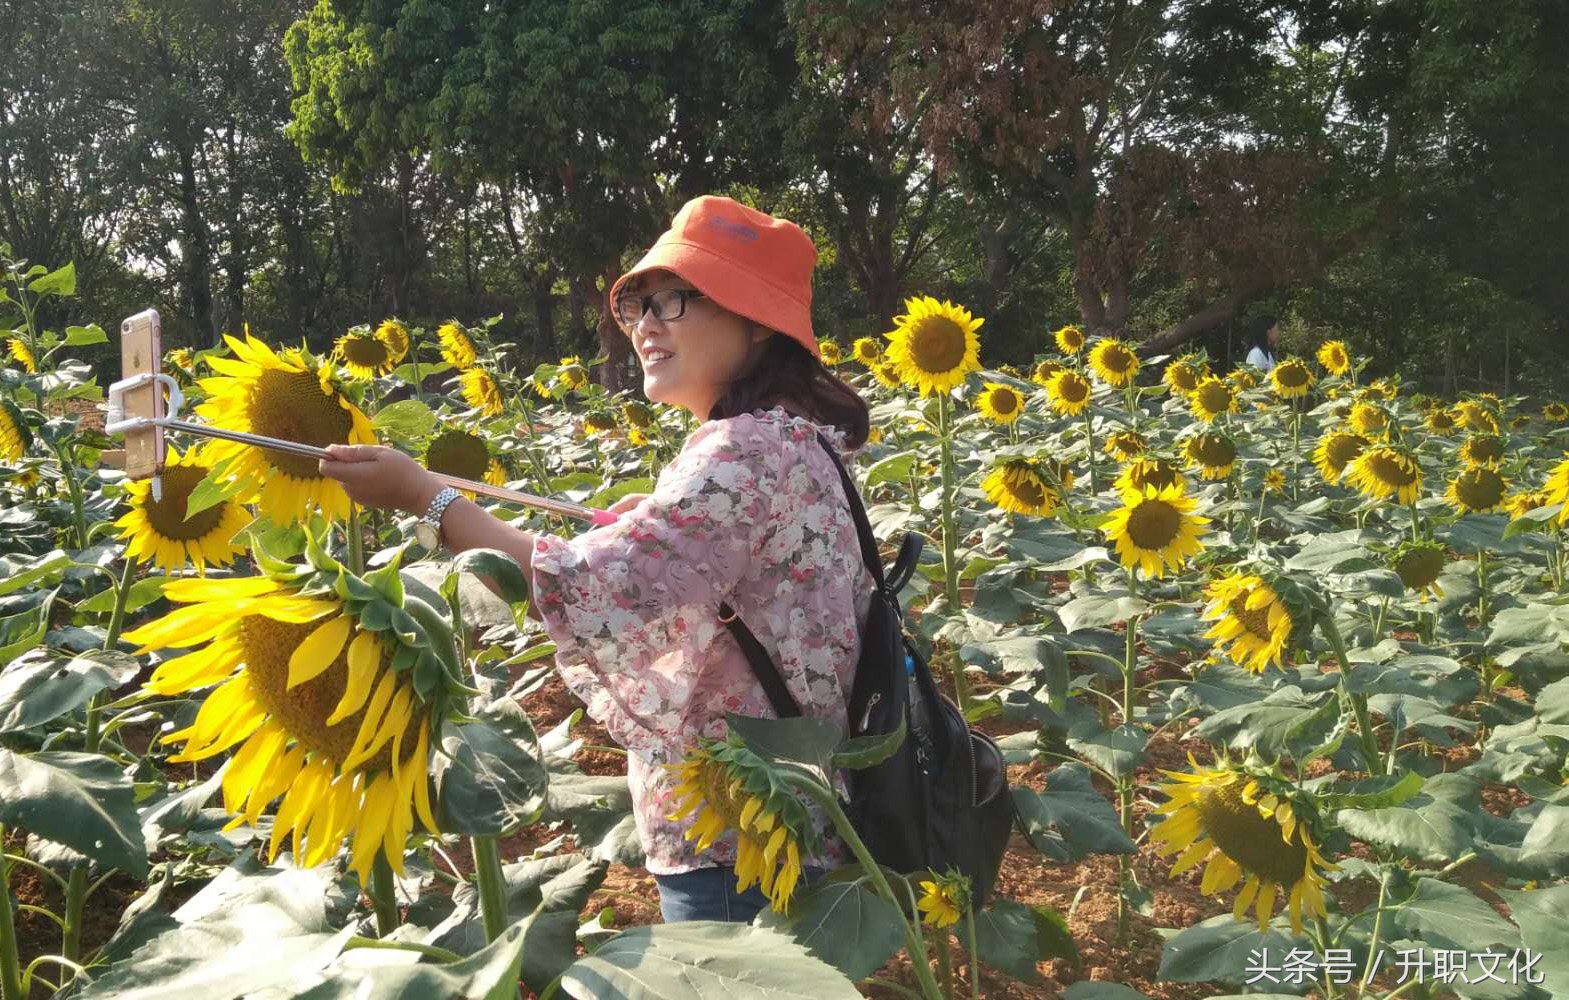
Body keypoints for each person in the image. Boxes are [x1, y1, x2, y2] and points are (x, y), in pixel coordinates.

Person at [318, 195, 875, 924]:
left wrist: (422, 497)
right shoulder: (801, 441)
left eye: (675, 300)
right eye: (636, 305)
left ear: (759, 321)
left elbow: (589, 584)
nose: (645, 325)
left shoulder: (742, 448)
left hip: (738, 835)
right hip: (806, 816)